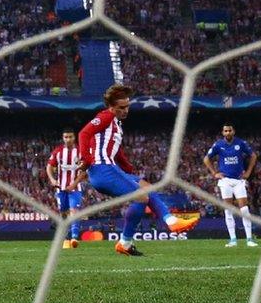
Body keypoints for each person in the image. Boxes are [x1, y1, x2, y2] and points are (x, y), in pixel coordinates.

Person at [77, 84, 199, 256]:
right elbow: (84, 134)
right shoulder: (106, 116)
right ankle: (129, 240)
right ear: (111, 107)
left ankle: (166, 222)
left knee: (146, 187)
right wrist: (86, 158)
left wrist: (128, 168)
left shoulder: (116, 124)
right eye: (122, 108)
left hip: (109, 168)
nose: (126, 110)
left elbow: (116, 151)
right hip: (102, 169)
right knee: (142, 197)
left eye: (127, 107)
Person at [203, 123, 258, 247]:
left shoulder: (241, 143)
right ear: (223, 133)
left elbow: (253, 155)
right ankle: (233, 239)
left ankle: (249, 239)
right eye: (225, 131)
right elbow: (206, 158)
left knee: (244, 209)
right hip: (225, 181)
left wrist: (248, 172)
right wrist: (214, 173)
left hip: (239, 180)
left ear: (233, 131)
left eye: (229, 130)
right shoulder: (218, 145)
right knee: (228, 210)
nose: (227, 132)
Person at [47, 128, 84, 249]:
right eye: (66, 137)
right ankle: (67, 238)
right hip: (61, 188)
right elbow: (49, 167)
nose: (68, 139)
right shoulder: (58, 151)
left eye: (70, 137)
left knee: (74, 211)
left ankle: (74, 237)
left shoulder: (80, 151)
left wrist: (74, 184)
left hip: (75, 188)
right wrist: (52, 179)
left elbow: (84, 171)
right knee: (63, 213)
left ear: (74, 138)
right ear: (63, 138)